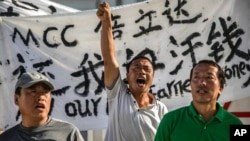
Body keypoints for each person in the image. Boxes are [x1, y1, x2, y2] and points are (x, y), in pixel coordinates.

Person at [96, 2, 168, 141]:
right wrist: (107, 23)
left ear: (152, 78)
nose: (142, 72)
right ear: (127, 77)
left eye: (147, 69)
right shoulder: (117, 95)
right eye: (136, 68)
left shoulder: (161, 110)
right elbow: (109, 58)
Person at [154, 60, 243, 141]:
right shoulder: (170, 120)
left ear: (220, 88)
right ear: (190, 85)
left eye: (209, 78)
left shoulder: (236, 124)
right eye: (196, 77)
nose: (202, 83)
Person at [0, 71, 84, 141]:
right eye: (33, 91)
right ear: (16, 99)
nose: (40, 97)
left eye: (45, 92)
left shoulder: (68, 133)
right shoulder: (6, 138)